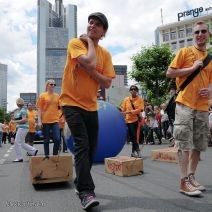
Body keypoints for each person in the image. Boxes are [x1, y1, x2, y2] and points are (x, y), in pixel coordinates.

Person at [60, 12, 115, 210]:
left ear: (104, 32)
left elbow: (107, 83)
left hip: (91, 105)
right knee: (82, 144)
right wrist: (90, 45)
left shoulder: (106, 55)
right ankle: (86, 191)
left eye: (98, 24)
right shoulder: (76, 43)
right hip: (70, 102)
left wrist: (91, 70)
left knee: (91, 148)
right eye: (90, 22)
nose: (92, 25)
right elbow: (92, 63)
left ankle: (79, 183)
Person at [166, 21, 212, 197]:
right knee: (184, 143)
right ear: (193, 35)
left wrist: (209, 90)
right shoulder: (184, 52)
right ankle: (183, 181)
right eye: (197, 32)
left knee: (198, 145)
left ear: (208, 34)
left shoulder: (210, 59)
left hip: (202, 107)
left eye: (203, 31)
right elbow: (170, 72)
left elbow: (211, 81)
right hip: (185, 103)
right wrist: (191, 68)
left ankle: (191, 176)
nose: (200, 34)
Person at [36, 79, 60, 157]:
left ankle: (55, 155)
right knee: (46, 140)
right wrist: (39, 121)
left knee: (57, 139)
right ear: (47, 85)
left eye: (54, 84)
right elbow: (39, 109)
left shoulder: (57, 96)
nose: (53, 86)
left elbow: (60, 108)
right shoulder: (42, 95)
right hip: (45, 121)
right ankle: (47, 156)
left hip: (55, 120)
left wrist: (60, 117)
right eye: (51, 84)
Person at [121, 85, 144, 157]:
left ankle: (133, 152)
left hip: (136, 120)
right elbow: (123, 110)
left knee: (134, 136)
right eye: (131, 89)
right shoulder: (126, 99)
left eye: (135, 89)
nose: (133, 90)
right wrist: (123, 118)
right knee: (133, 136)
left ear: (137, 91)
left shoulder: (140, 99)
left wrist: (131, 112)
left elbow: (140, 109)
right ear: (130, 91)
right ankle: (137, 150)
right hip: (128, 121)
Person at [12, 98, 38, 162]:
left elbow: (24, 120)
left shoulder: (23, 110)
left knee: (17, 142)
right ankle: (33, 150)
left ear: (17, 104)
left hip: (23, 128)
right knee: (22, 143)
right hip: (22, 128)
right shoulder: (21, 110)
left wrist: (15, 122)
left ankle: (19, 158)